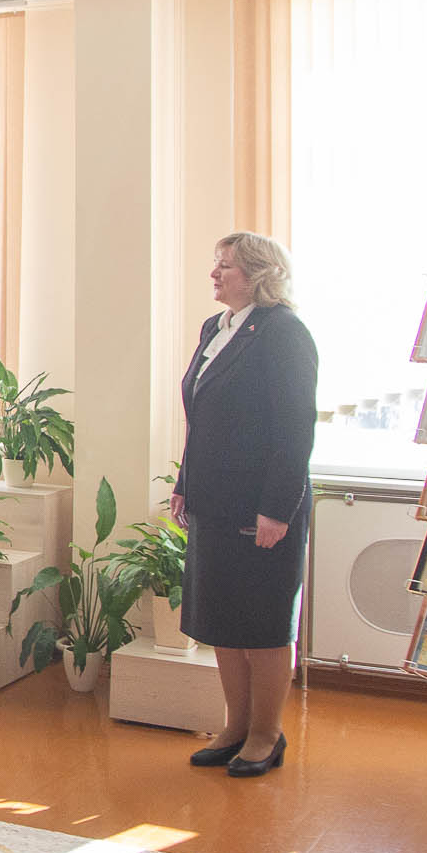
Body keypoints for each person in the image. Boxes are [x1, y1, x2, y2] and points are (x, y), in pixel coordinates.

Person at [168, 232, 318, 778]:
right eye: (216, 263)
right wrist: (185, 482)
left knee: (263, 624)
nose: (214, 273)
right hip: (215, 500)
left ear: (258, 274)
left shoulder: (284, 332)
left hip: (262, 505)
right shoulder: (216, 328)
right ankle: (235, 727)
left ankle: (265, 734)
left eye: (225, 265)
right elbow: (201, 418)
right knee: (224, 621)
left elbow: (295, 428)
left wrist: (276, 509)